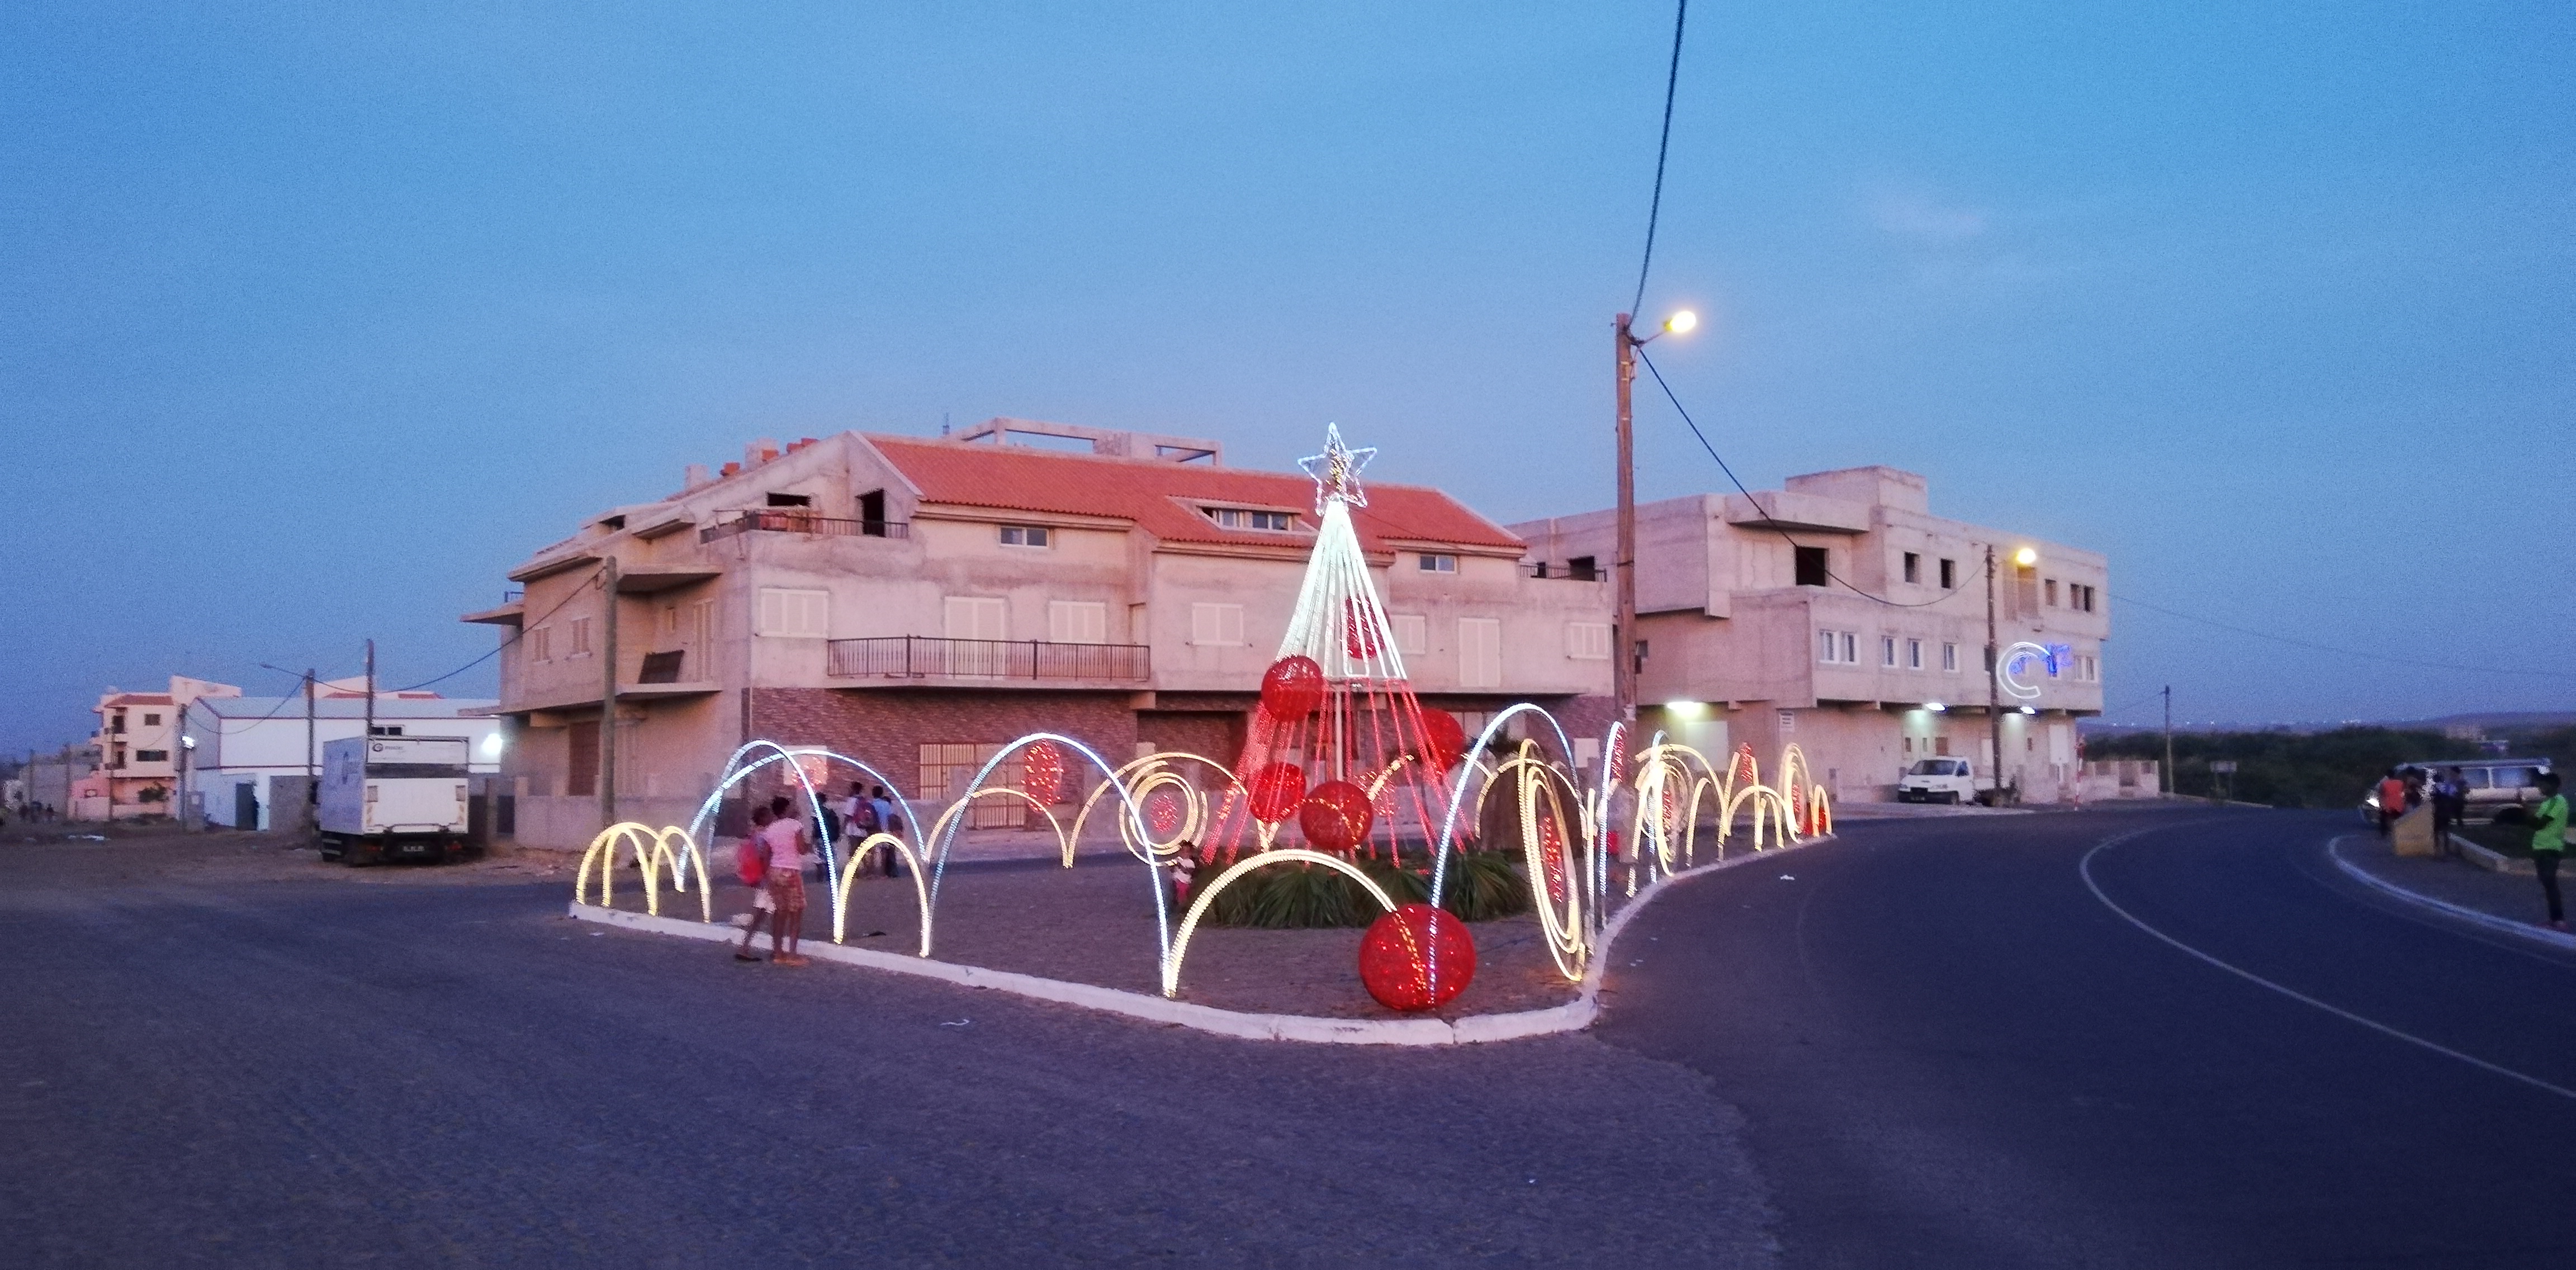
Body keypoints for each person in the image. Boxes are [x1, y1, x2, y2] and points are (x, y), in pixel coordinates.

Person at [759, 798, 813, 964]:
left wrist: (767, 875)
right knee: (796, 912)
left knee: (780, 912)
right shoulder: (795, 825)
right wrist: (809, 846)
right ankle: (792, 955)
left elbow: (765, 854)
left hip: (775, 871)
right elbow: (801, 849)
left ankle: (777, 952)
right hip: (791, 872)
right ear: (786, 809)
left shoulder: (770, 828)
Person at [733, 805, 778, 961]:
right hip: (768, 879)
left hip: (762, 880)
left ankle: (746, 946)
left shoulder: (755, 834)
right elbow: (765, 857)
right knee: (774, 914)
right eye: (769, 815)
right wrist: (769, 878)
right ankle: (775, 949)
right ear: (764, 818)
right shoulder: (765, 836)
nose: (772, 818)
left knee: (762, 914)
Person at [2531, 772, 2568, 932]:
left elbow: (2541, 823)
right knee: (2547, 883)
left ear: (2553, 786)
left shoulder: (2557, 801)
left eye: (2543, 785)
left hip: (2551, 848)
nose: (2540, 788)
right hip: (2541, 847)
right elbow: (2536, 823)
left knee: (2550, 882)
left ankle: (2559, 920)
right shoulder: (2547, 802)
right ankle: (2554, 919)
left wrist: (2524, 814)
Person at [2431, 767, 2466, 852]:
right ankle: (2446, 848)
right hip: (2447, 810)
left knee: (2436, 830)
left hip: (2439, 811)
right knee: (2445, 830)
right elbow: (2454, 796)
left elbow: (2433, 799)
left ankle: (2437, 849)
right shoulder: (2450, 787)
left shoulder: (2437, 788)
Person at [870, 785, 902, 877]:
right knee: (884, 851)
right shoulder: (886, 805)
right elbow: (891, 817)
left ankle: (872, 872)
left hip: (874, 830)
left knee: (872, 851)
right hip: (885, 830)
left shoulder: (872, 805)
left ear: (873, 794)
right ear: (882, 794)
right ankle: (883, 873)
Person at [2376, 768, 2408, 836]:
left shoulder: (2384, 784)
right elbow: (2404, 793)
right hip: (2399, 805)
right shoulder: (2401, 783)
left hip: (2387, 805)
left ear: (2388, 776)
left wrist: (2382, 803)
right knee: (2400, 819)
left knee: (2383, 818)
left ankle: (2384, 833)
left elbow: (2381, 794)